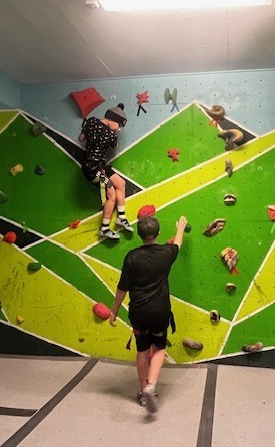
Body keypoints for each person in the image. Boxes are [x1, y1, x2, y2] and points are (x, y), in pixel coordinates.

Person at [109, 215, 188, 414]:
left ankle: (144, 393)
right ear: (158, 233)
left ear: (140, 234)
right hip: (160, 311)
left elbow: (122, 289)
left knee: (142, 350)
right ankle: (151, 386)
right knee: (159, 347)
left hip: (138, 312)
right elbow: (178, 243)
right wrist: (180, 228)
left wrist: (114, 311)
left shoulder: (132, 257)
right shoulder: (166, 253)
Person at [78, 103, 133, 240]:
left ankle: (121, 217)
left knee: (121, 183)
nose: (119, 129)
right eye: (119, 125)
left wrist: (89, 130)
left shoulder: (91, 121)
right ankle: (104, 228)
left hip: (99, 165)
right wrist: (110, 136)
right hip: (93, 168)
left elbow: (81, 139)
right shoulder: (111, 135)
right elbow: (115, 147)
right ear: (112, 119)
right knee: (112, 195)